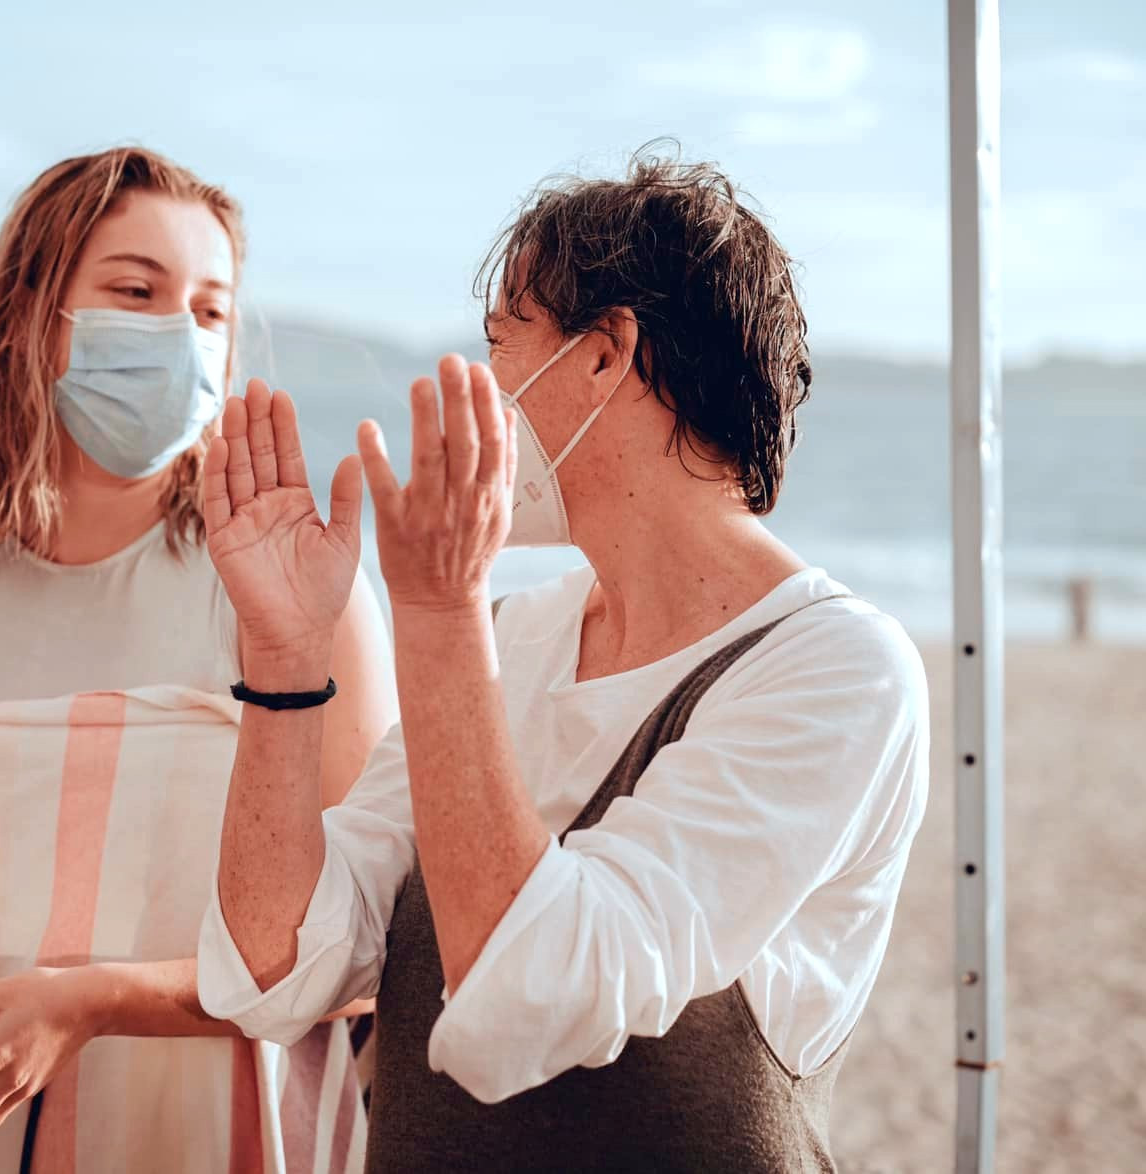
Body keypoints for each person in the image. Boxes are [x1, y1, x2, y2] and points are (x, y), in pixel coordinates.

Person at [194, 151, 930, 1171]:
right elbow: (273, 966)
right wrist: (281, 654)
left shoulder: (835, 669)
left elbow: (535, 996)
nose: (486, 389)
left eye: (502, 347)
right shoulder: (508, 635)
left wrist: (437, 606)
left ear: (601, 355)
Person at [0, 148, 395, 1170]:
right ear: (31, 310)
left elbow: (361, 952)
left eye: (210, 309)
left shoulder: (295, 603)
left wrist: (94, 1001)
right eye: (135, 292)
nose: (178, 335)